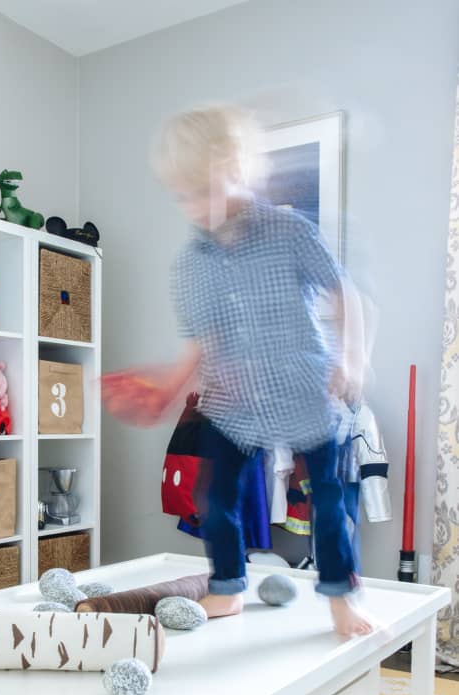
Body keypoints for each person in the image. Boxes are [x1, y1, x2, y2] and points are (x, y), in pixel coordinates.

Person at [102, 103, 372, 636]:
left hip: (302, 386)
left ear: (239, 170)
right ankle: (227, 587)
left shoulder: (289, 230)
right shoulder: (191, 265)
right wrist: (168, 389)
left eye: (208, 188)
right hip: (236, 397)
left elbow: (346, 294)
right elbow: (204, 341)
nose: (198, 206)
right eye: (184, 195)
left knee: (328, 497)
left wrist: (351, 360)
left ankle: (340, 596)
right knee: (214, 496)